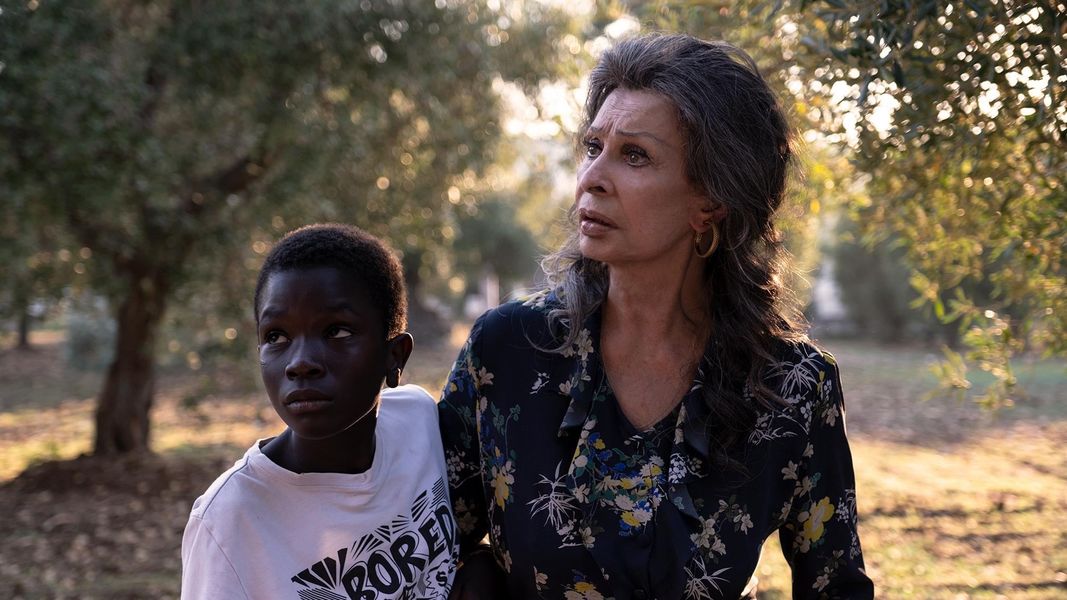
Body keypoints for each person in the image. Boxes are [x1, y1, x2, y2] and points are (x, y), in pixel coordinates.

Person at [439, 33, 875, 599]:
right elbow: (422, 549)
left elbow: (836, 587)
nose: (592, 178)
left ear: (711, 202)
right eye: (593, 147)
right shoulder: (507, 350)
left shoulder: (791, 388)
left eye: (635, 155)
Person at [181, 224, 458, 599]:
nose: (300, 363)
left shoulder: (418, 420)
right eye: (277, 336)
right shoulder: (229, 521)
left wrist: (478, 564)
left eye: (337, 332)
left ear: (395, 356)